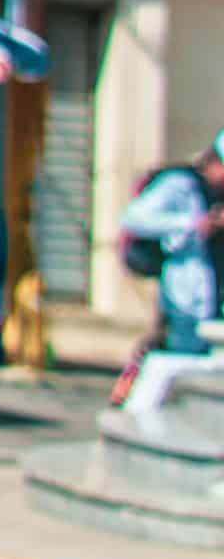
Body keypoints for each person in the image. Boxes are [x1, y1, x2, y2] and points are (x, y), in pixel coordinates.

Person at [115, 134, 224, 413]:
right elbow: (134, 218)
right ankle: (139, 413)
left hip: (207, 295)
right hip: (185, 296)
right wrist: (191, 224)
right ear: (213, 161)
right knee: (177, 358)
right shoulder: (181, 185)